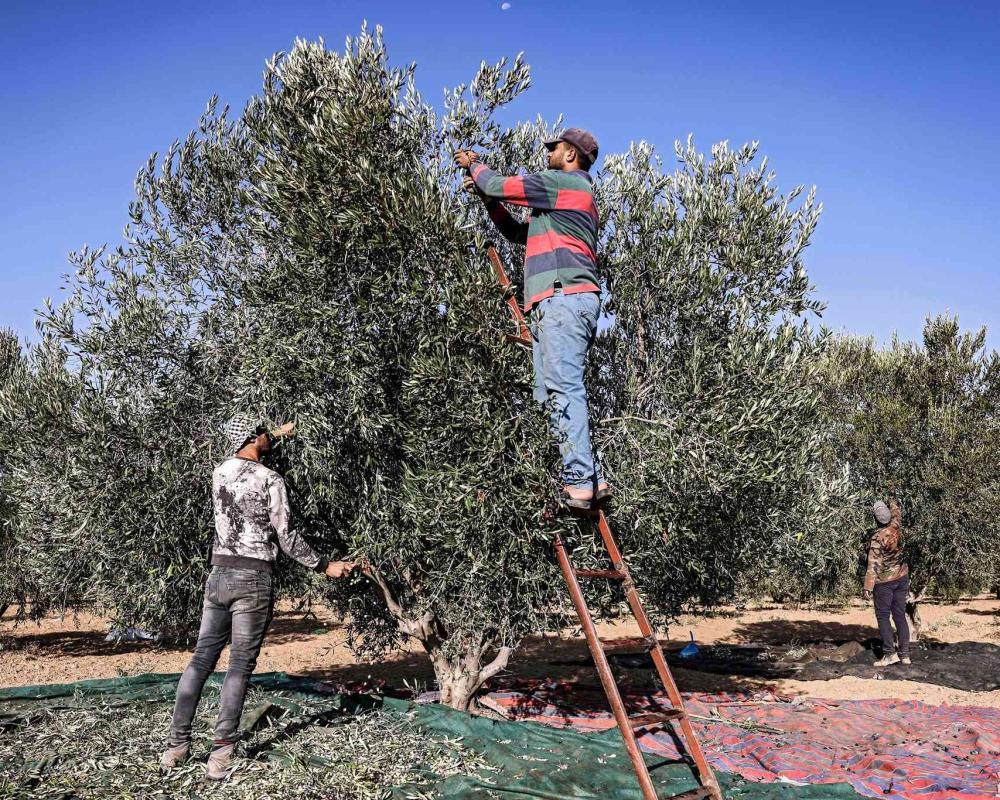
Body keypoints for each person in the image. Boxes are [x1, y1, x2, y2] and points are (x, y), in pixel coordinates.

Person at [160, 414, 359, 779]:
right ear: (254, 437)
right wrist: (325, 565)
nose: (270, 436)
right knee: (238, 667)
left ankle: (176, 747)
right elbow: (287, 538)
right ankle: (220, 756)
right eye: (265, 432)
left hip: (218, 575)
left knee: (201, 660)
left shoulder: (219, 472)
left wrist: (278, 435)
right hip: (253, 579)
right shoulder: (271, 480)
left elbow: (251, 452)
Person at [455, 128, 610, 510]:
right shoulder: (565, 203)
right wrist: (489, 202)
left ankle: (579, 481)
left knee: (564, 387)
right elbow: (515, 232)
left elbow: (497, 183)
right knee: (553, 391)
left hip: (563, 299)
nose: (548, 153)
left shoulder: (564, 183)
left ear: (571, 155)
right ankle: (589, 476)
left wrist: (474, 165)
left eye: (554, 148)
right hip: (553, 304)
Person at [863, 498, 911, 667]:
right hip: (902, 577)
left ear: (876, 519)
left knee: (883, 616)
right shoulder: (896, 525)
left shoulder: (877, 537)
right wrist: (892, 498)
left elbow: (873, 564)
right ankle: (905, 654)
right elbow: (897, 510)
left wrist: (867, 587)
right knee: (900, 614)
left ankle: (890, 654)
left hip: (884, 582)